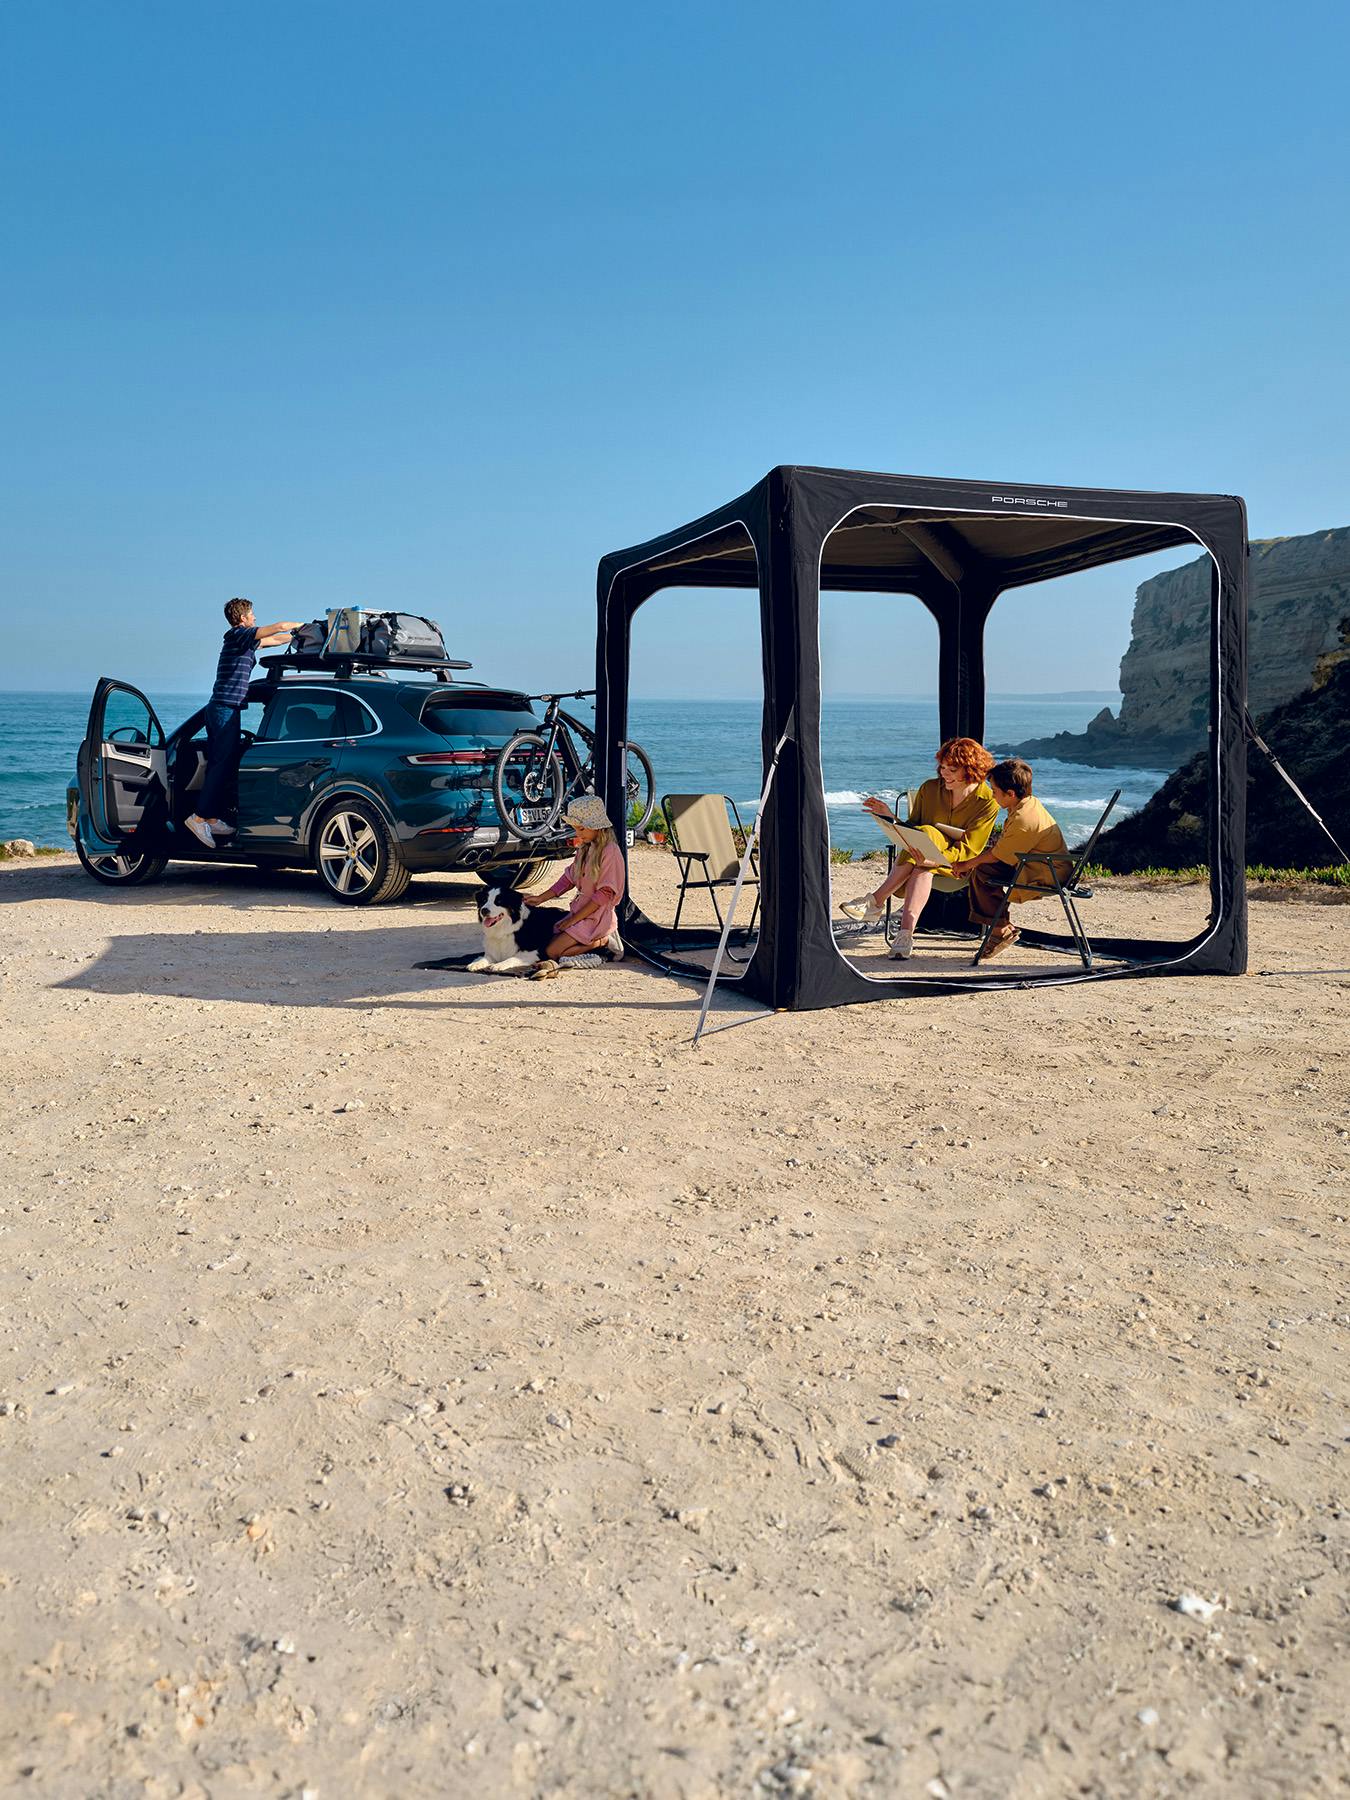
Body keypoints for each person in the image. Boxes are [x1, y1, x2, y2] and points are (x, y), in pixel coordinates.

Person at [839, 736, 999, 958]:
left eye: (952, 769)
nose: (944, 773)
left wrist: (934, 859)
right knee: (924, 851)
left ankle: (875, 902)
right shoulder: (930, 789)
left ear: (971, 769)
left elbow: (971, 848)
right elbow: (912, 830)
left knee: (927, 837)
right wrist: (891, 817)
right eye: (942, 767)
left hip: (957, 866)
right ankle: (905, 935)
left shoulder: (988, 801)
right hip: (920, 862)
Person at [186, 598, 302, 848]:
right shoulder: (236, 635)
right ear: (242, 619)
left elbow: (275, 639)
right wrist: (308, 626)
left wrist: (297, 639)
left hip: (228, 709)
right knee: (220, 764)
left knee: (225, 764)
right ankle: (198, 818)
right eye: (252, 615)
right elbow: (278, 627)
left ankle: (211, 816)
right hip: (223, 709)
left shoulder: (246, 642)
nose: (255, 618)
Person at [948, 757, 1070, 961]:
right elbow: (1003, 850)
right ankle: (1000, 927)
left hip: (1047, 871)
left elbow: (998, 854)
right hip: (1033, 862)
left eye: (995, 791)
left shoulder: (1024, 819)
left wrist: (965, 863)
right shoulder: (1026, 804)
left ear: (1011, 794)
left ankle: (1000, 930)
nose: (993, 796)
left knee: (982, 870)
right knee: (982, 871)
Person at [524, 793, 626, 978]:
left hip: (597, 916)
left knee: (554, 952)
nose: (578, 834)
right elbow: (569, 879)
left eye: (581, 829)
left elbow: (603, 895)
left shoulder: (610, 851)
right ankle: (593, 943)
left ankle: (603, 941)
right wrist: (541, 898)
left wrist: (572, 921)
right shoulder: (585, 848)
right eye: (575, 829)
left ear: (597, 827)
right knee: (548, 945)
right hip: (581, 913)